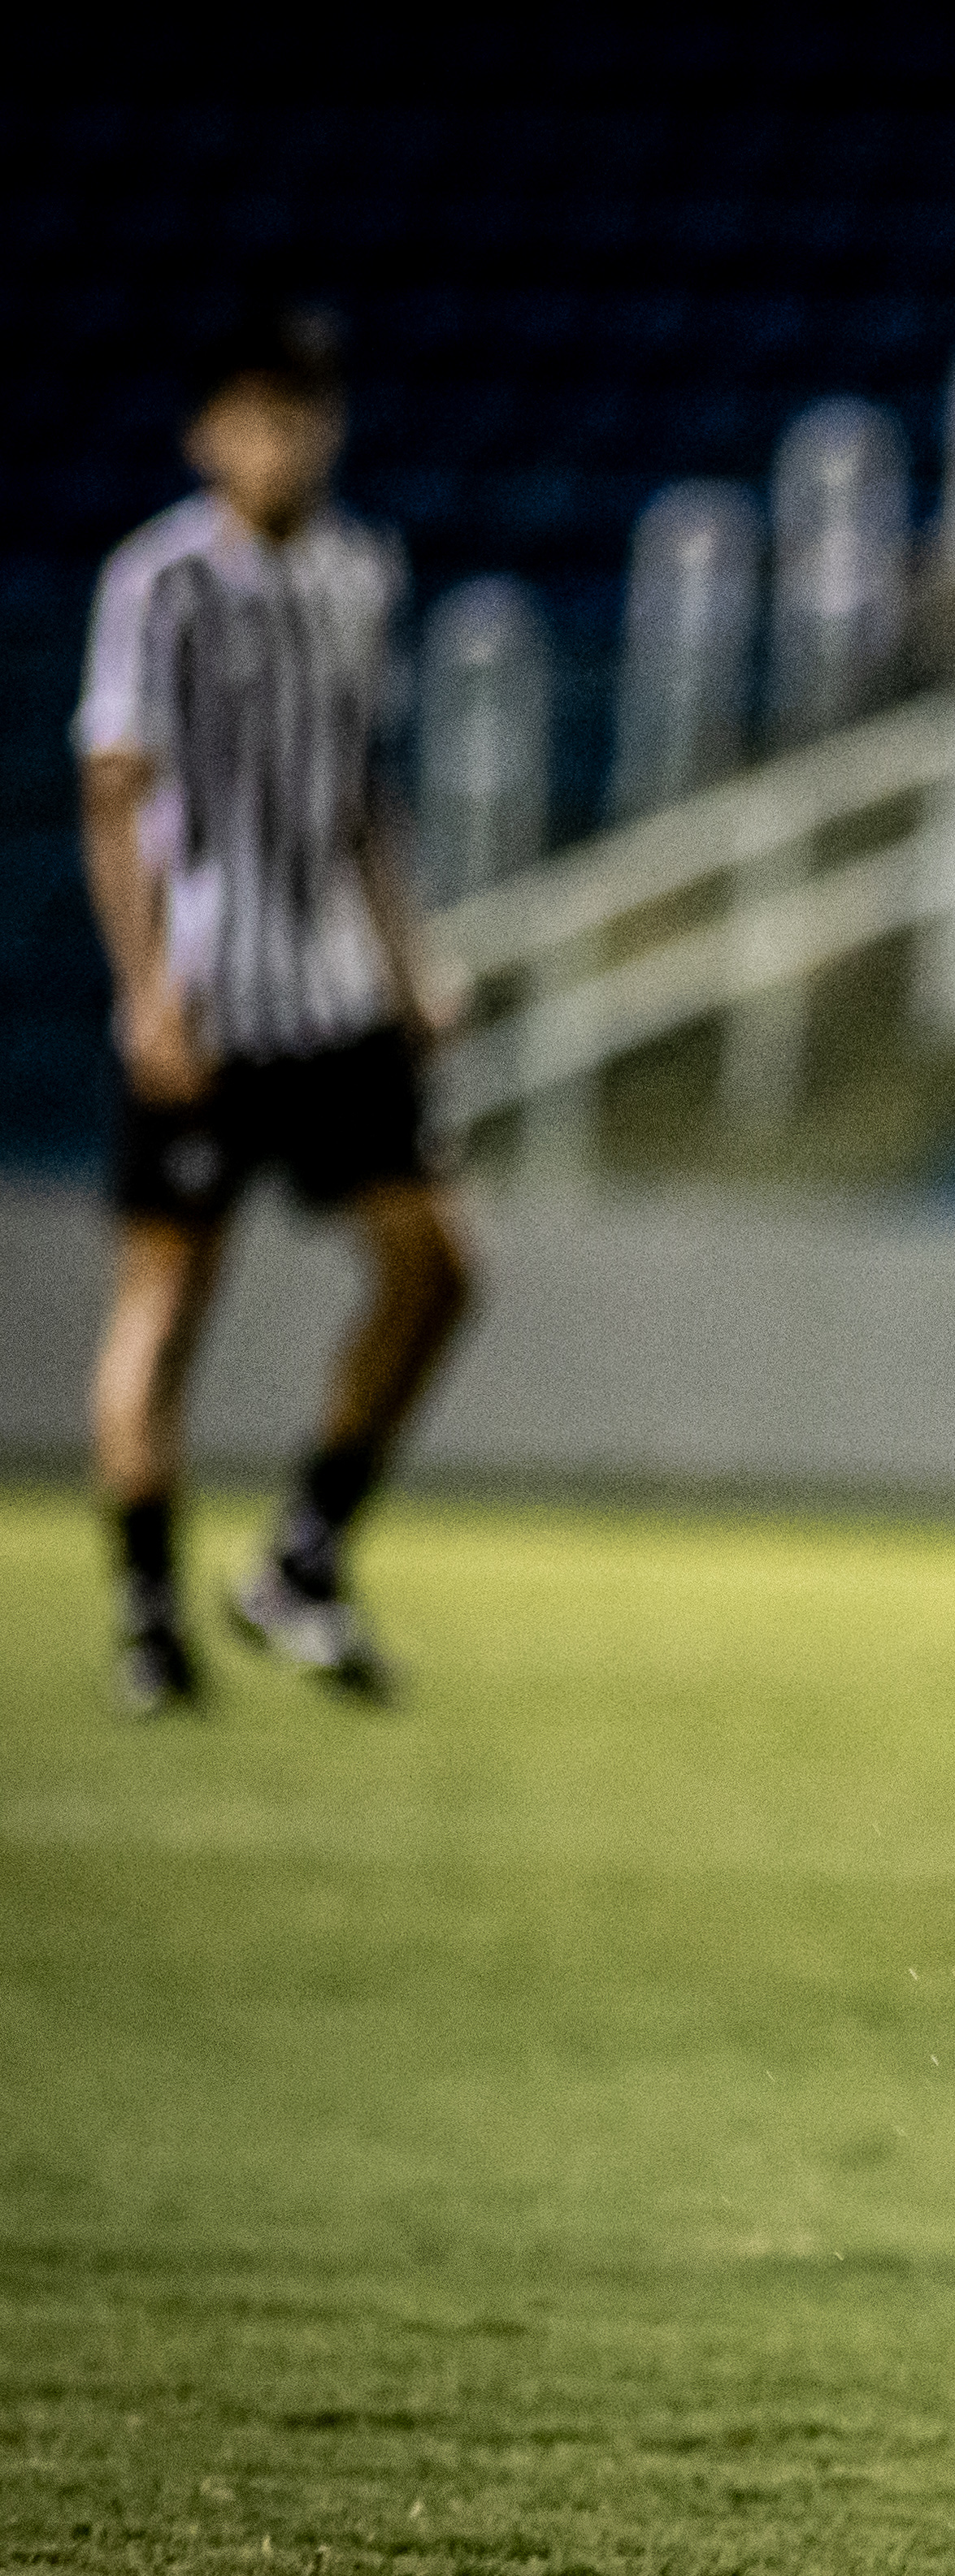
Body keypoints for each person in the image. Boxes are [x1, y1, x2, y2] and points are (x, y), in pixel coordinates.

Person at [79, 301, 474, 1716]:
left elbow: (360, 790)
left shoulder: (361, 574)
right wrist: (145, 994)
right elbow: (115, 793)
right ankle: (146, 1619)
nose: (282, 438)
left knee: (437, 1269)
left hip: (332, 1002)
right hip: (207, 1000)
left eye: (302, 412)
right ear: (207, 433)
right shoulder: (160, 583)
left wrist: (409, 961)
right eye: (256, 412)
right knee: (168, 1302)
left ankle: (302, 1555)